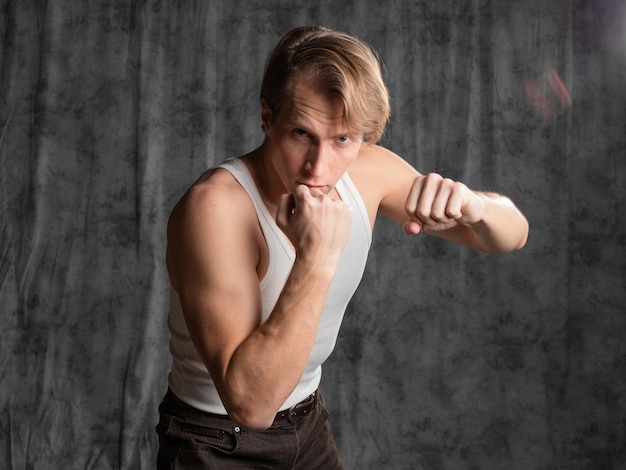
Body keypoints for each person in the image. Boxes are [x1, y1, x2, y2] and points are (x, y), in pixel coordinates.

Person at [156, 25, 529, 469]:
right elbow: (250, 405)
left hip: (307, 424)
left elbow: (513, 235)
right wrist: (316, 257)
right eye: (301, 133)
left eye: (342, 139)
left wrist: (475, 206)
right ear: (267, 116)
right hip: (217, 442)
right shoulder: (215, 208)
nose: (319, 166)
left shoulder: (368, 172)